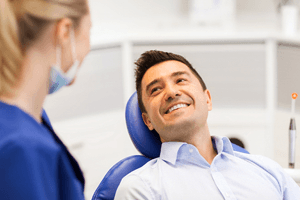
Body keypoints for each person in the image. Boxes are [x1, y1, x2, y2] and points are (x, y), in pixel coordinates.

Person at [114, 50, 300, 200]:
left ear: (207, 99)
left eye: (180, 80)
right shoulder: (139, 188)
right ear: (147, 121)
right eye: (156, 90)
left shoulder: (267, 169)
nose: (171, 92)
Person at [0, 0, 91, 199]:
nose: (89, 47)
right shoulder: (22, 147)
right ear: (65, 32)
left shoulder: (29, 121)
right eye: (89, 30)